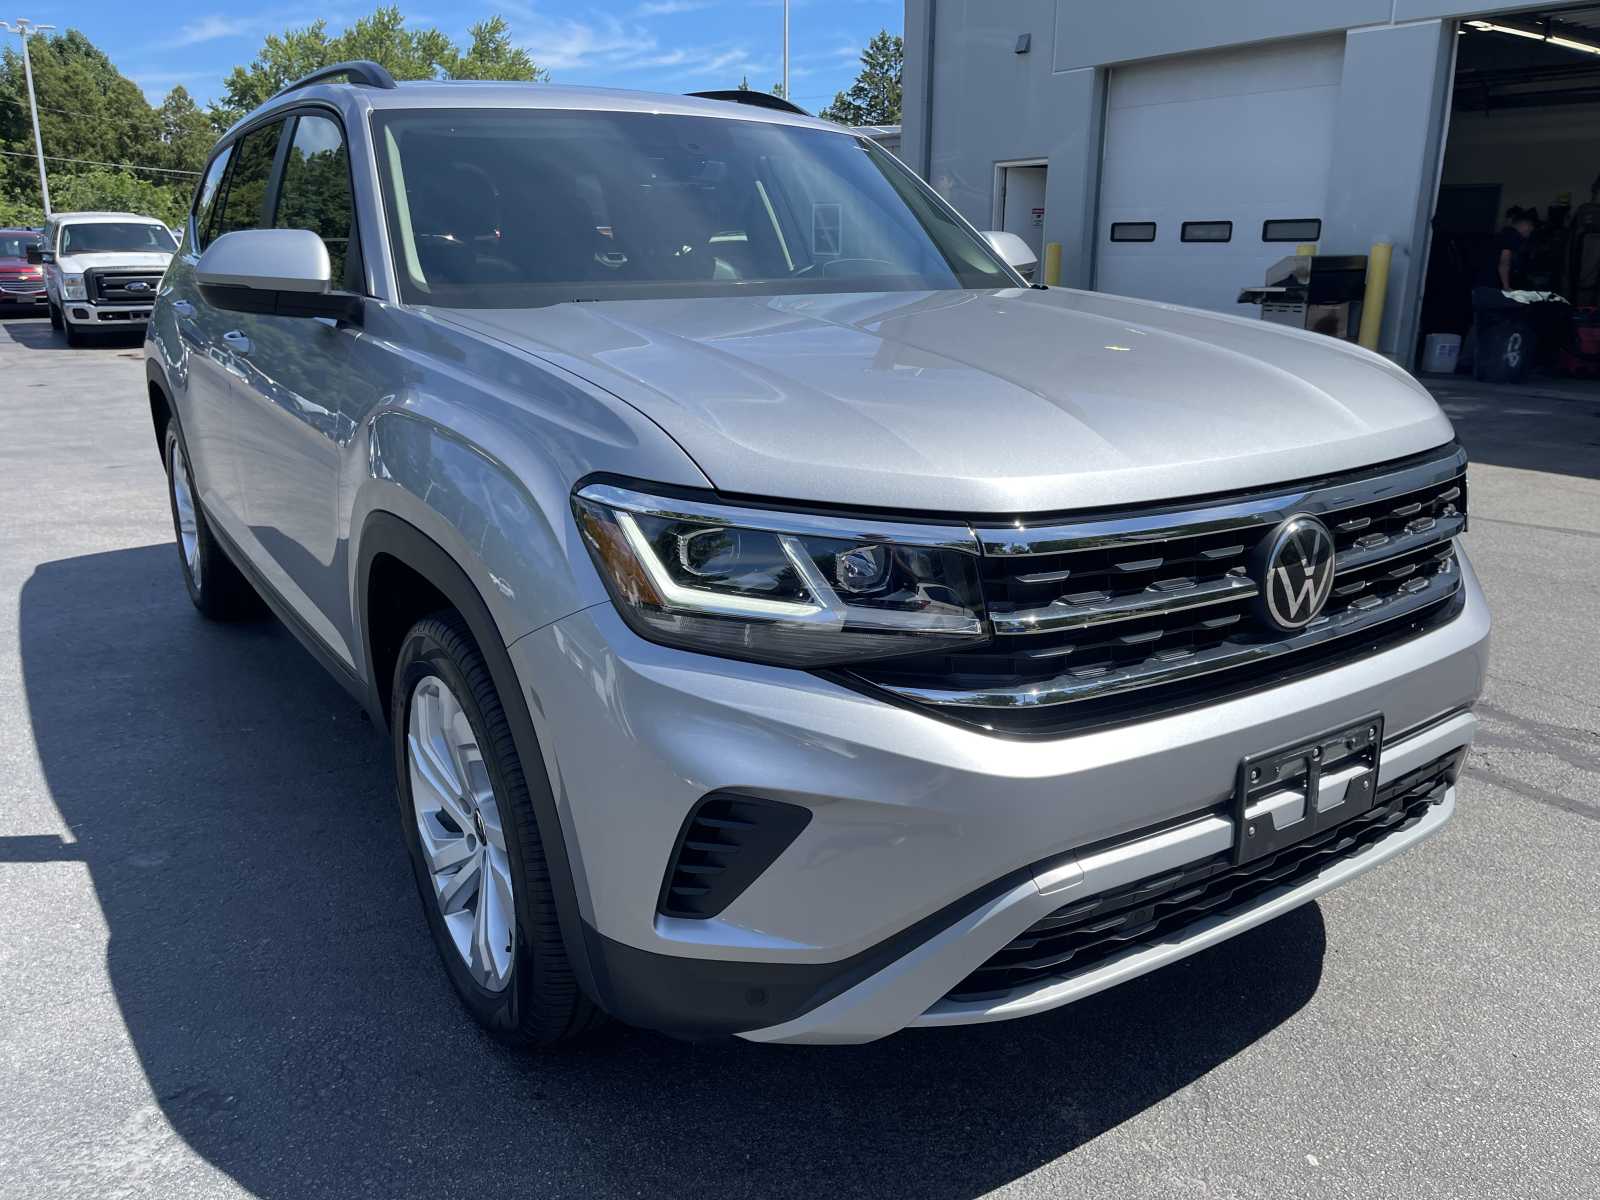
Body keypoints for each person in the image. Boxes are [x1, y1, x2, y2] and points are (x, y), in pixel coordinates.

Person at [1482, 207, 1537, 292]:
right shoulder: (1511, 236)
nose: (1531, 229)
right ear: (1524, 224)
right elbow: (1504, 263)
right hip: (1491, 282)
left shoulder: (1505, 234)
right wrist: (1506, 287)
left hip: (1488, 280)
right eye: (1530, 226)